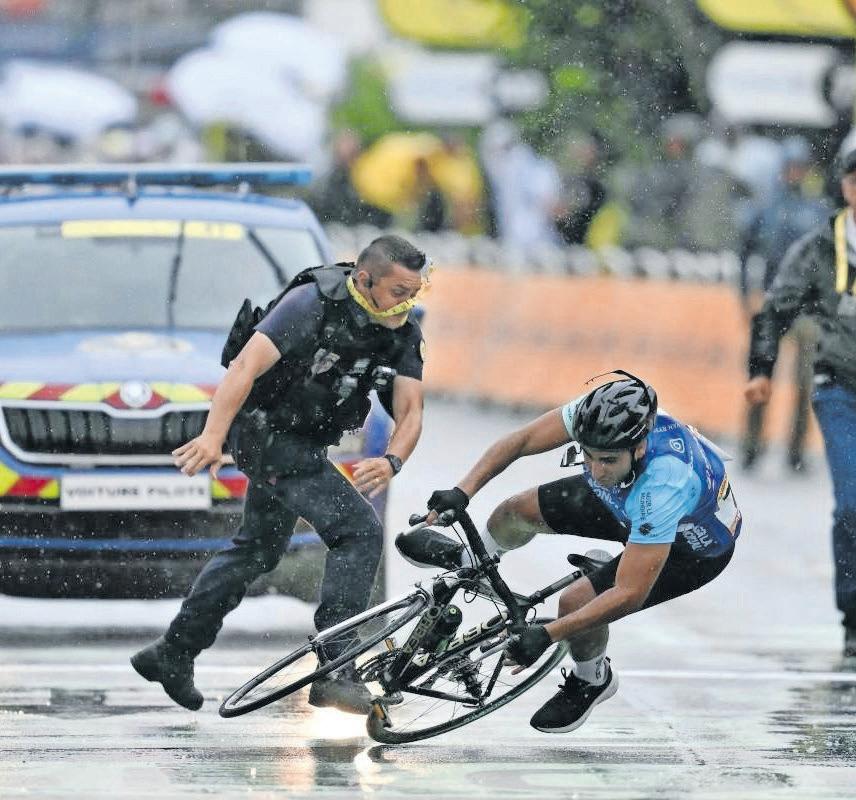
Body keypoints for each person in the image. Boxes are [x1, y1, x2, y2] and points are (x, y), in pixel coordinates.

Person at [132, 235, 429, 713]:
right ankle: (336, 669)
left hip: (304, 441)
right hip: (264, 433)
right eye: (398, 291)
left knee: (257, 550)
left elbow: (411, 408)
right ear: (364, 280)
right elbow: (244, 367)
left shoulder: (401, 329)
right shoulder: (311, 303)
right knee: (358, 532)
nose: (408, 302)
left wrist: (393, 458)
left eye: (415, 291)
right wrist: (212, 436)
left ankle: (173, 652)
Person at [397, 372, 741, 733]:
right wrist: (462, 491)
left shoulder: (666, 483)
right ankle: (471, 566)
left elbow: (628, 593)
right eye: (588, 456)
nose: (594, 469)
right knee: (514, 511)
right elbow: (522, 440)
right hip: (626, 498)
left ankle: (592, 679)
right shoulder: (598, 421)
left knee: (576, 603)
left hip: (688, 548)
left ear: (639, 446)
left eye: (606, 459)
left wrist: (548, 635)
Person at [746, 149, 856, 659]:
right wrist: (762, 371)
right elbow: (774, 308)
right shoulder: (816, 246)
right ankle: (853, 613)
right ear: (845, 186)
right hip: (840, 388)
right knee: (853, 506)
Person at [738, 136, 831, 472]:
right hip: (773, 303)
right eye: (790, 167)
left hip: (806, 309)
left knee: (806, 382)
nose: (795, 173)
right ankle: (751, 446)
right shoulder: (765, 209)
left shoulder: (816, 210)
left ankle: (795, 452)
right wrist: (745, 296)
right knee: (760, 378)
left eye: (799, 167)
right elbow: (745, 253)